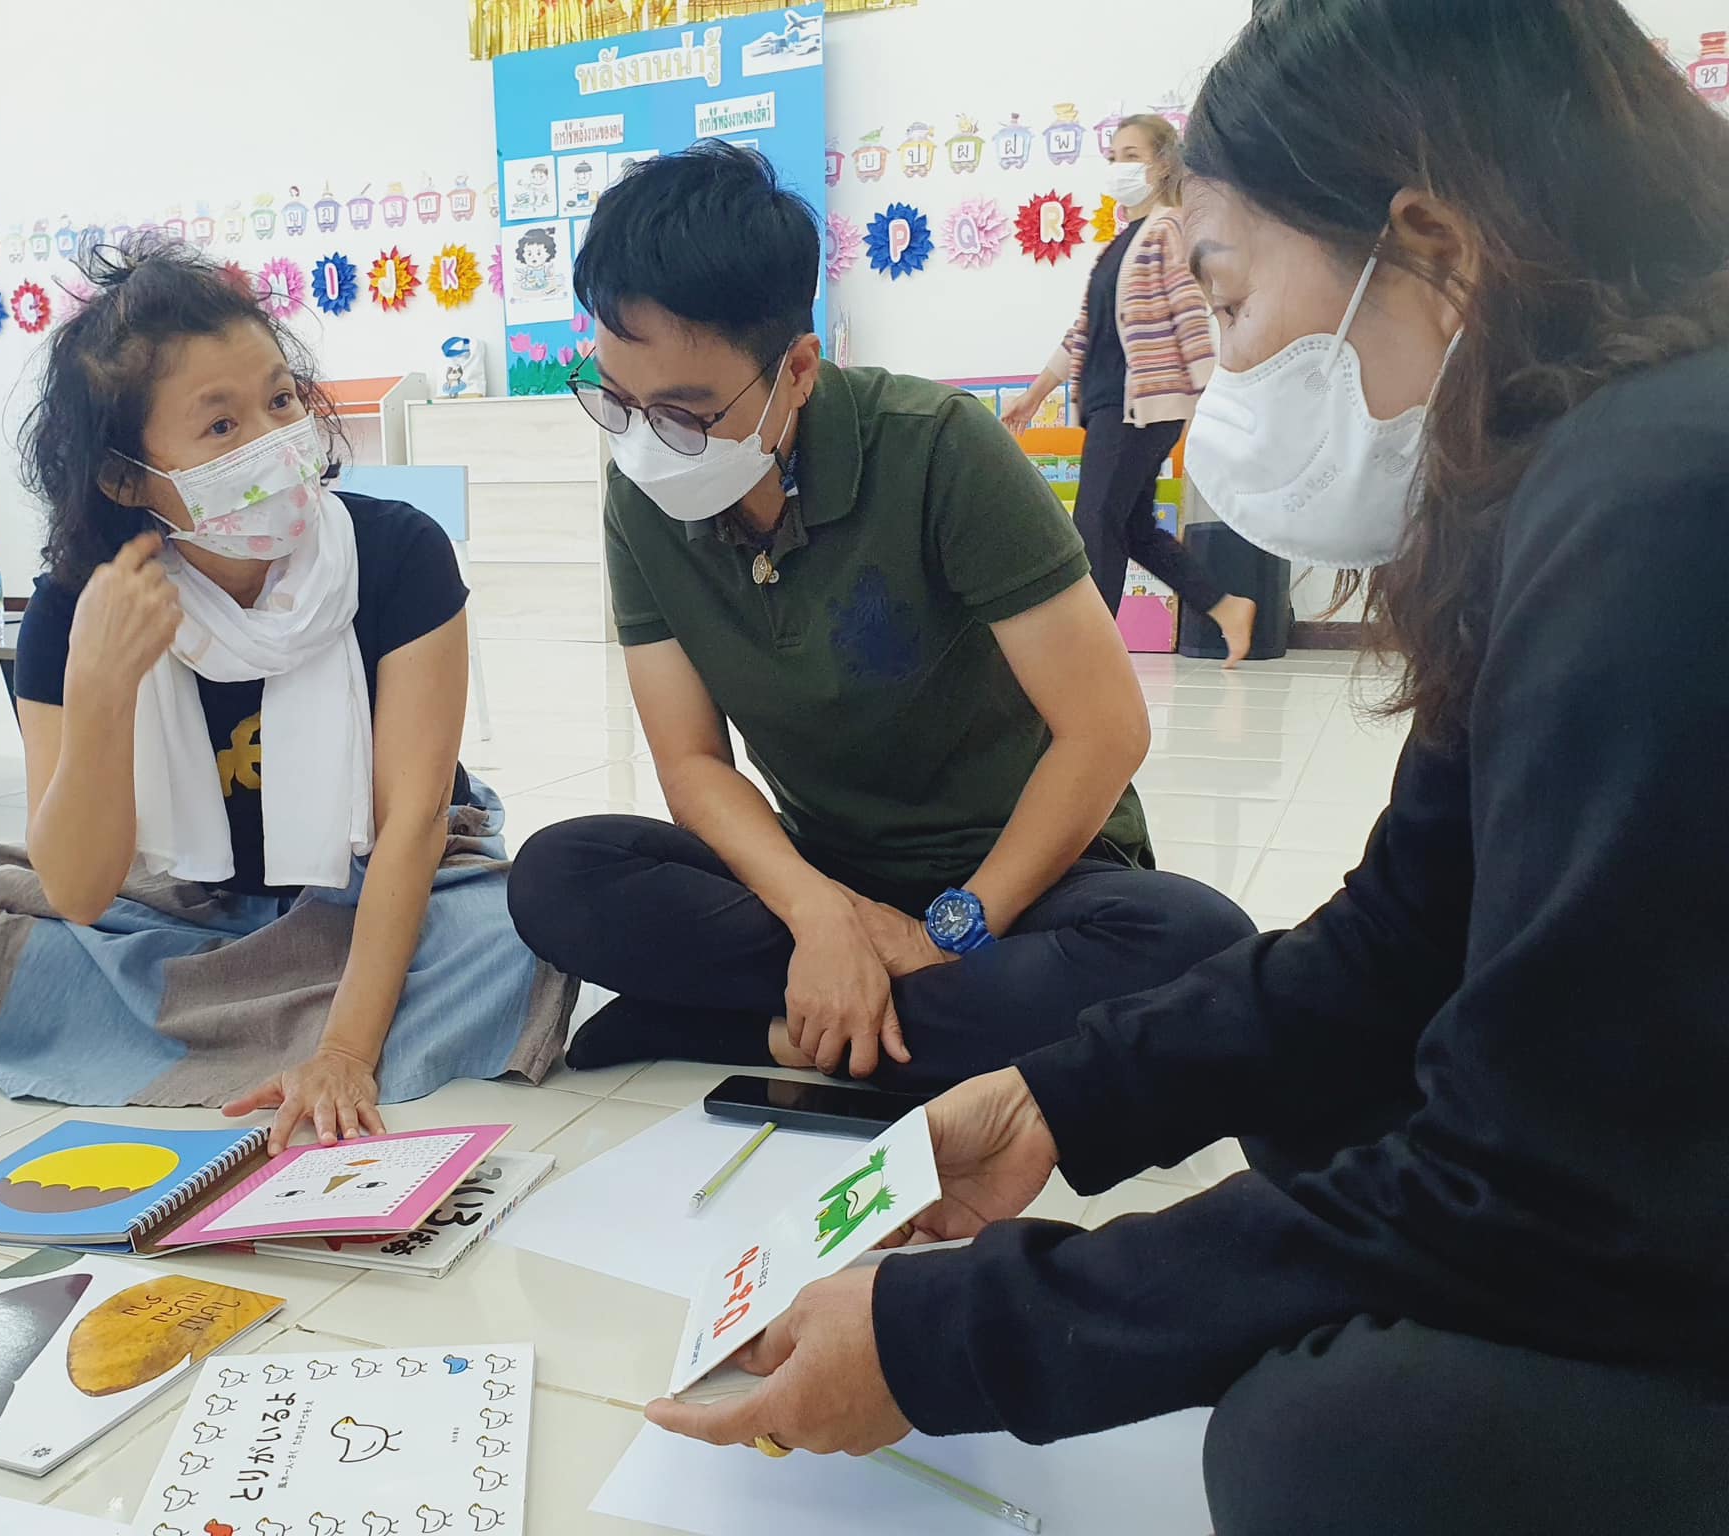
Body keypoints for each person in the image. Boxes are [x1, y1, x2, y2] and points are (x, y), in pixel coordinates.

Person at [643, 4, 1729, 1531]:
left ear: (1432, 248)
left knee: (1321, 1441)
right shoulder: (1564, 486)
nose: (1221, 366)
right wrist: (1055, 1099)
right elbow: (1403, 931)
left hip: (1017, 909)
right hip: (858, 907)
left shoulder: (1658, 507)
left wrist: (954, 1336)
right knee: (1311, 1108)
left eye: (1226, 295)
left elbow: (1549, 1171)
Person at [506, 143, 1253, 1092]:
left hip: (1022, 877)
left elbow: (1106, 731)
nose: (648, 444)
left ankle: (770, 1033)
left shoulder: (938, 450)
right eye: (617, 403)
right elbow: (692, 765)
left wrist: (952, 931)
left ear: (798, 370)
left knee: (1198, 944)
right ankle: (893, 1019)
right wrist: (821, 915)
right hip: (823, 870)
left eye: (687, 415)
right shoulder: (641, 500)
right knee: (559, 874)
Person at [0, 243, 570, 1146]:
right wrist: (100, 693)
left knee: (512, 933)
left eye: (280, 401)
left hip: (377, 883)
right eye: (221, 426)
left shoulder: (398, 553)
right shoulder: (83, 604)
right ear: (124, 476)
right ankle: (271, 1014)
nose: (273, 440)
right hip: (181, 898)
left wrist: (346, 1050)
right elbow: (81, 890)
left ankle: (249, 1026)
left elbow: (412, 824)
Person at [1002, 115, 1259, 667]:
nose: (1119, 167)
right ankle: (1225, 606)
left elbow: (1190, 315)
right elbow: (1083, 331)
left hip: (1139, 408)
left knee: (1094, 522)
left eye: (1132, 155)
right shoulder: (1120, 244)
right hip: (1109, 406)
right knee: (1134, 529)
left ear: (1162, 164)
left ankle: (1084, 658)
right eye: (1114, 156)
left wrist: (1207, 398)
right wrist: (1035, 393)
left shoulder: (1168, 230)